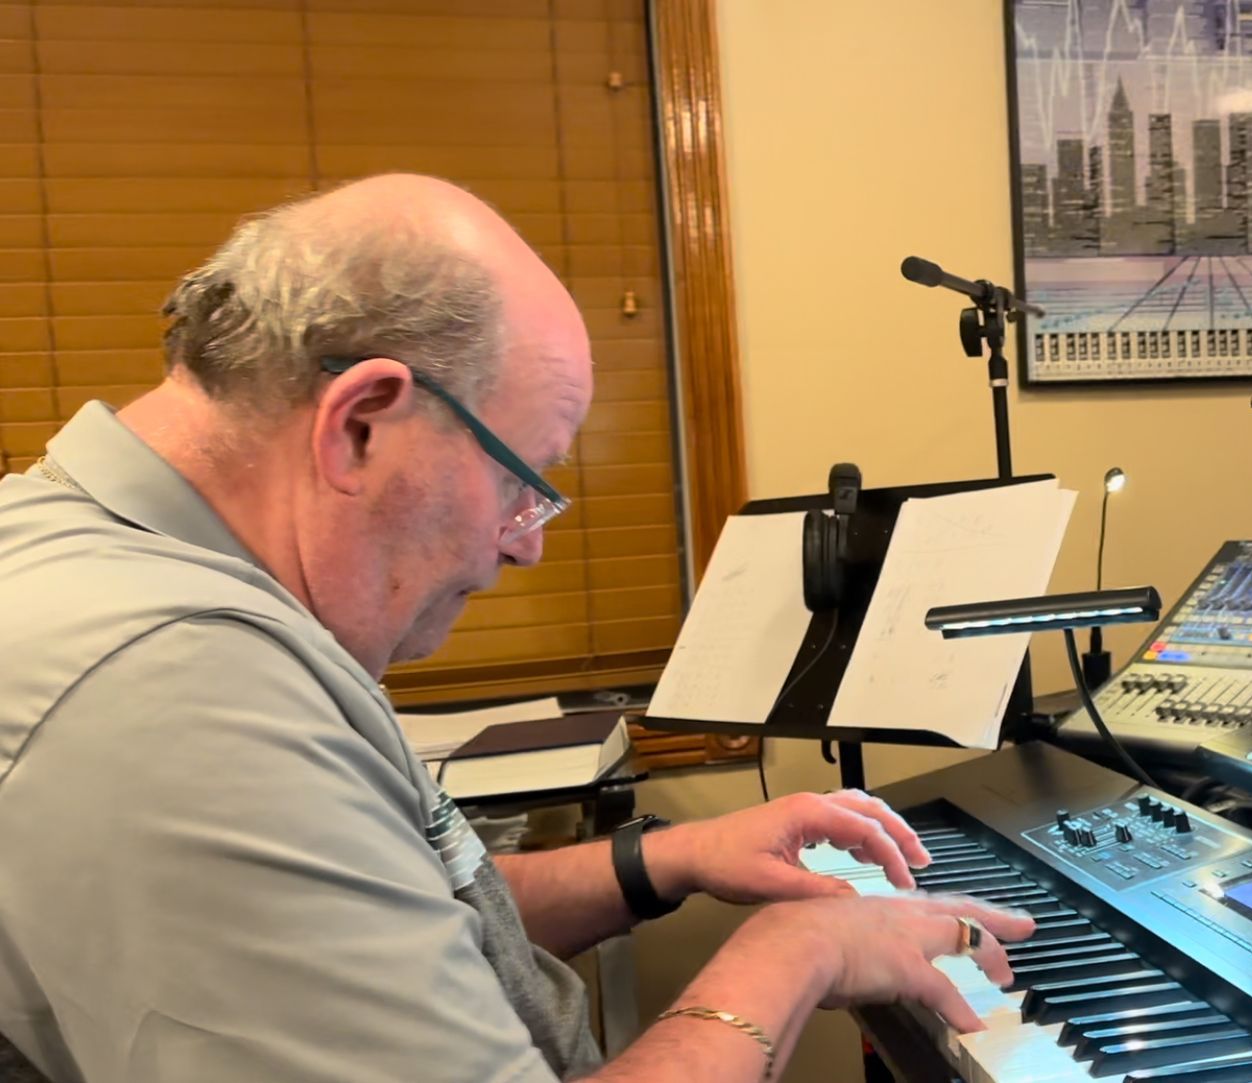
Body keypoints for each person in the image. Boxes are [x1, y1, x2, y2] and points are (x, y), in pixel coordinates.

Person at [0, 174, 1033, 1083]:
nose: (524, 544)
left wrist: (668, 860)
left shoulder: (108, 568)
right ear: (363, 423)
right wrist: (795, 955)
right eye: (518, 482)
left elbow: (387, 921)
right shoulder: (173, 688)